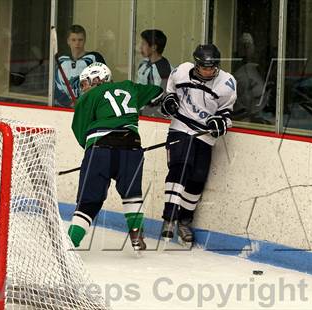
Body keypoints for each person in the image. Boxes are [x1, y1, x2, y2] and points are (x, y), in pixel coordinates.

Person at [68, 62, 163, 251]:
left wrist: (91, 156)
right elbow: (157, 92)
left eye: (85, 83)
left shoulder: (88, 98)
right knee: (132, 195)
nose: (83, 88)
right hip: (132, 147)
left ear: (97, 80)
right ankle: (136, 234)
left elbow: (80, 133)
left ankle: (69, 243)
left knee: (89, 200)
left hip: (100, 149)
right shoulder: (129, 86)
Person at [159, 44, 237, 244]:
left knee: (197, 179)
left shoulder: (226, 83)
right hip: (181, 126)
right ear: (196, 64)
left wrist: (219, 122)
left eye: (212, 67)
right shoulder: (181, 71)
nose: (209, 71)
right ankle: (169, 217)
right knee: (180, 166)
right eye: (204, 67)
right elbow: (170, 94)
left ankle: (184, 221)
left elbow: (227, 113)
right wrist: (169, 102)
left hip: (204, 134)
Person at [55, 24, 106, 107]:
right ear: (68, 41)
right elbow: (56, 87)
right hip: (65, 109)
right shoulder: (61, 60)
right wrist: (70, 103)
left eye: (80, 40)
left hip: (89, 107)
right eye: (73, 40)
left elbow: (105, 81)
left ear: (84, 40)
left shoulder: (94, 58)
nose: (77, 43)